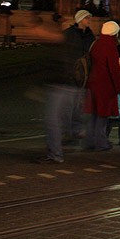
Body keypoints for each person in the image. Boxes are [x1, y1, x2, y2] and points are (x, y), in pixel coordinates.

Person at [37, 9, 96, 163]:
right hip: (69, 81)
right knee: (62, 117)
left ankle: (56, 153)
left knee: (54, 119)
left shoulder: (84, 36)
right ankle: (66, 143)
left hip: (67, 82)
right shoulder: (70, 35)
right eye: (87, 18)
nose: (89, 20)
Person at [84, 20, 120, 151]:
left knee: (93, 115)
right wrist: (119, 87)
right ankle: (101, 143)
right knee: (102, 115)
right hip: (105, 86)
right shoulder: (110, 46)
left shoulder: (96, 43)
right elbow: (114, 69)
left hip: (92, 83)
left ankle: (90, 141)